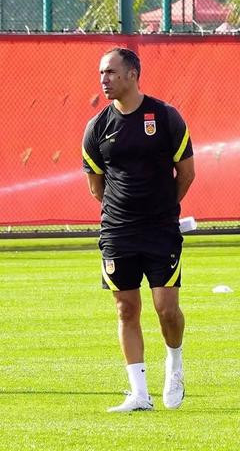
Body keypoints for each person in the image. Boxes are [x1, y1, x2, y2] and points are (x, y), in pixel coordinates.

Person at [82, 47, 195, 412]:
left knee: (166, 309)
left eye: (111, 72)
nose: (104, 79)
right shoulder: (97, 127)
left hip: (161, 230)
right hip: (118, 233)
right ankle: (139, 394)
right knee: (126, 309)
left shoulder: (165, 117)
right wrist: (121, 214)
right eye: (101, 73)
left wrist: (163, 209)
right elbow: (96, 186)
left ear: (132, 74)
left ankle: (174, 364)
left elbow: (187, 173)